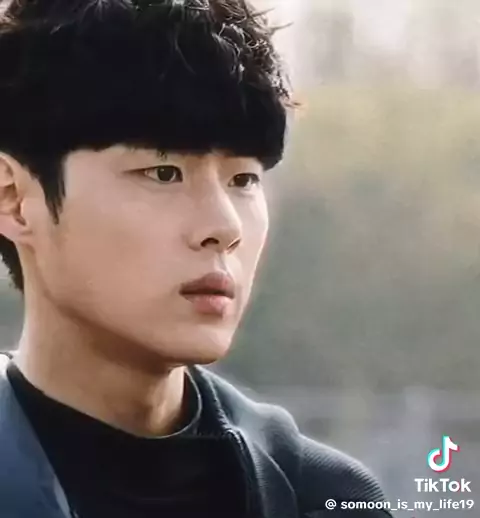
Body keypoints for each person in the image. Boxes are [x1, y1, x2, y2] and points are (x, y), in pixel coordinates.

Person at [0, 1, 393, 517]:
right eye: (164, 173)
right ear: (13, 199)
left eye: (243, 180)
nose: (224, 228)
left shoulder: (320, 497)